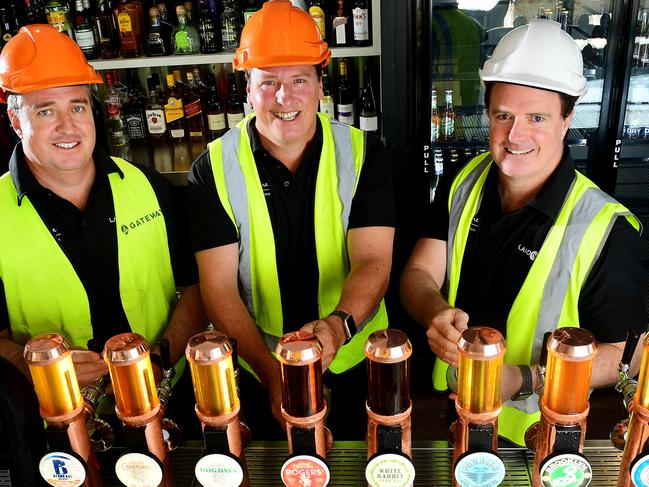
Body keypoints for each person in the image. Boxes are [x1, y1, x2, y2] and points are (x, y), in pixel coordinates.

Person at [401, 19, 647, 446]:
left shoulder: (606, 228)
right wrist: (434, 311)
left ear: (568, 118)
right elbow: (419, 273)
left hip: (538, 436)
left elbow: (630, 355)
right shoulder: (465, 180)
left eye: (537, 117)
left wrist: (523, 378)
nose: (516, 136)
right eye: (503, 115)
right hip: (456, 409)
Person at [187, 0, 395, 438]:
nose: (285, 98)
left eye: (300, 79)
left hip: (354, 354)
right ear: (247, 89)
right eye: (268, 83)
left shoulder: (363, 155)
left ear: (321, 85)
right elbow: (218, 288)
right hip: (259, 360)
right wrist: (271, 374)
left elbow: (374, 261)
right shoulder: (213, 167)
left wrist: (338, 329)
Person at [0, 25, 206, 394]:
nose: (68, 126)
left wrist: (158, 361)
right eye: (46, 111)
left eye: (77, 106)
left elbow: (195, 290)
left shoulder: (149, 186)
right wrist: (28, 367)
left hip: (160, 403)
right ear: (16, 121)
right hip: (55, 422)